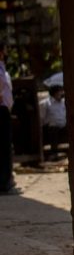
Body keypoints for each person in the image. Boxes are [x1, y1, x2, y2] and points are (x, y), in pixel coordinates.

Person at [0, 42, 15, 194]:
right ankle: (3, 181)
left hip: (5, 110)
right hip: (1, 109)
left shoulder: (3, 69)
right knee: (3, 147)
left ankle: (6, 180)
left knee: (6, 146)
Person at [39, 85, 67, 160]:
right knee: (53, 130)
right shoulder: (46, 103)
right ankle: (54, 153)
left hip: (63, 125)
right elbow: (42, 117)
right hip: (51, 127)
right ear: (54, 93)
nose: (62, 93)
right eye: (60, 92)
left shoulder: (64, 102)